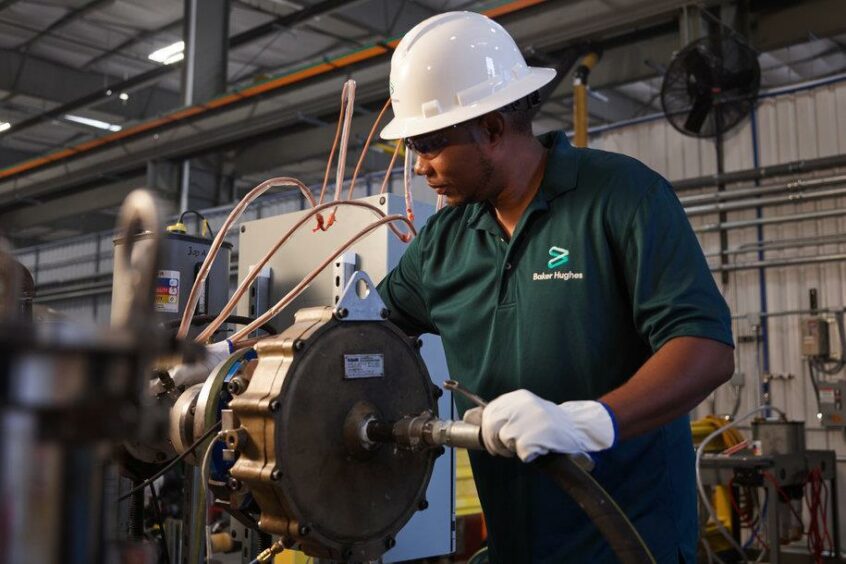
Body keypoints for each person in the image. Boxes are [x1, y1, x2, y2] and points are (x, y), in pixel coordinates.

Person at [376, 11, 734, 564]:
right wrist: (238, 361)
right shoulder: (443, 241)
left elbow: (705, 349)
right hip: (517, 545)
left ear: (492, 129)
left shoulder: (622, 196)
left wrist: (588, 421)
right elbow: (367, 334)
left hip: (628, 543)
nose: (420, 167)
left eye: (428, 145)